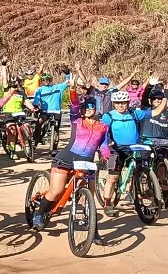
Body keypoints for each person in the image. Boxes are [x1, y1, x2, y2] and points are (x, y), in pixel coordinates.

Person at [31, 80, 109, 246]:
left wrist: (106, 156)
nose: (88, 110)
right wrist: (72, 90)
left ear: (96, 109)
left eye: (91, 107)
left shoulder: (103, 127)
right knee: (56, 191)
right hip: (65, 160)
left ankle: (94, 232)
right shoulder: (76, 120)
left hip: (86, 164)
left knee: (89, 200)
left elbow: (103, 146)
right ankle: (39, 213)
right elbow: (74, 104)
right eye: (85, 107)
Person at [100, 90, 167, 217]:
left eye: (124, 103)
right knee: (113, 177)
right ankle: (107, 203)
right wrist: (105, 146)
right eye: (118, 103)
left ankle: (140, 194)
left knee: (141, 171)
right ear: (114, 104)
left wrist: (165, 97)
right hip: (117, 149)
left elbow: (156, 112)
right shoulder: (108, 116)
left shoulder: (134, 113)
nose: (121, 105)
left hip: (135, 147)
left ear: (128, 103)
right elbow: (103, 133)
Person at [24, 68, 69, 150]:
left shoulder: (58, 87)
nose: (46, 81)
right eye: (44, 80)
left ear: (50, 80)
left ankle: (54, 146)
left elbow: (68, 82)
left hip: (56, 111)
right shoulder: (39, 89)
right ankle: (35, 140)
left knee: (56, 129)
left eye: (47, 80)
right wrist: (36, 106)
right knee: (39, 122)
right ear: (41, 81)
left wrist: (67, 74)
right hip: (45, 111)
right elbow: (36, 100)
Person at [0, 78, 27, 159]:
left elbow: (27, 102)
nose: (14, 86)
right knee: (12, 131)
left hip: (19, 113)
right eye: (12, 85)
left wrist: (33, 108)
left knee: (27, 127)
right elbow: (4, 79)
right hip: (8, 114)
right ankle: (12, 151)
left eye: (16, 84)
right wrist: (4, 66)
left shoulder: (22, 93)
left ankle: (27, 144)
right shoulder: (7, 91)